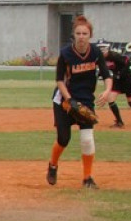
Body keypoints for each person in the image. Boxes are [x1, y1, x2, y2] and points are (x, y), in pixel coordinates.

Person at [46, 16, 112, 189]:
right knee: (63, 139)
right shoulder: (66, 54)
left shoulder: (95, 53)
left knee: (87, 139)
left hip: (85, 100)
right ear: (74, 35)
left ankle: (87, 178)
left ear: (90, 35)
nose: (81, 36)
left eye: (85, 33)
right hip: (64, 99)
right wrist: (69, 99)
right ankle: (53, 165)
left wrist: (107, 90)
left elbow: (106, 74)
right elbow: (59, 80)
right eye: (78, 33)